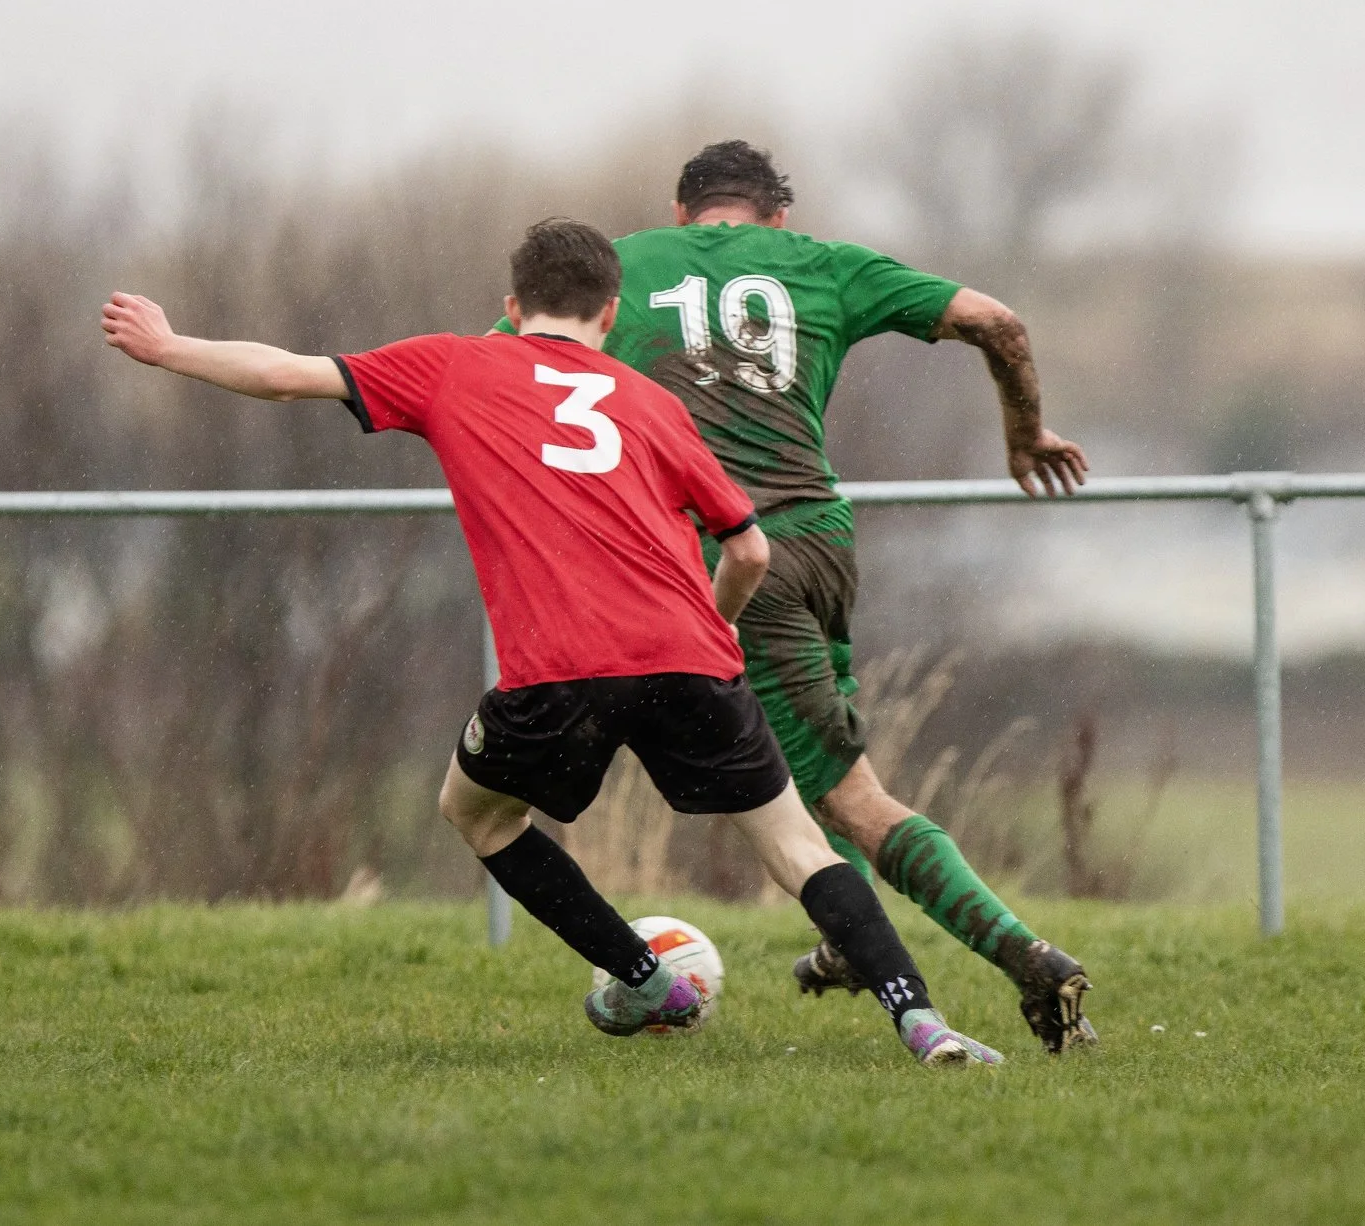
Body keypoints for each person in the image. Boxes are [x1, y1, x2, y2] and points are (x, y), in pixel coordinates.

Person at [102, 217, 1002, 1066]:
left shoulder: (455, 366)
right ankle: (921, 1019)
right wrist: (714, 630)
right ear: (613, 312)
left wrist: (169, 347)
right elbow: (751, 547)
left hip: (560, 670)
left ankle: (649, 983)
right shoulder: (651, 403)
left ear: (509, 305)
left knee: (477, 813)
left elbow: (286, 374)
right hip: (691, 658)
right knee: (799, 848)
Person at [507, 140, 1098, 1053]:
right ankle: (847, 948)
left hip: (733, 556)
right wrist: (1024, 436)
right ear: (775, 215)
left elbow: (516, 366)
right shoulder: (825, 265)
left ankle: (1027, 958)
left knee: (851, 799)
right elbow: (1000, 322)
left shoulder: (629, 268)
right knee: (821, 763)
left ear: (684, 214)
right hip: (824, 539)